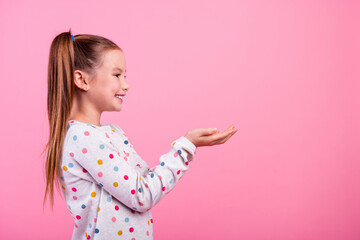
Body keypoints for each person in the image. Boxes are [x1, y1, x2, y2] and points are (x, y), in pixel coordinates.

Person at [42, 29, 238, 240]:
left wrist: (190, 144)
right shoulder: (82, 138)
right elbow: (142, 196)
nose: (126, 85)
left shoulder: (111, 133)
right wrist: (186, 146)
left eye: (124, 76)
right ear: (82, 80)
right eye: (117, 75)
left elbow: (148, 183)